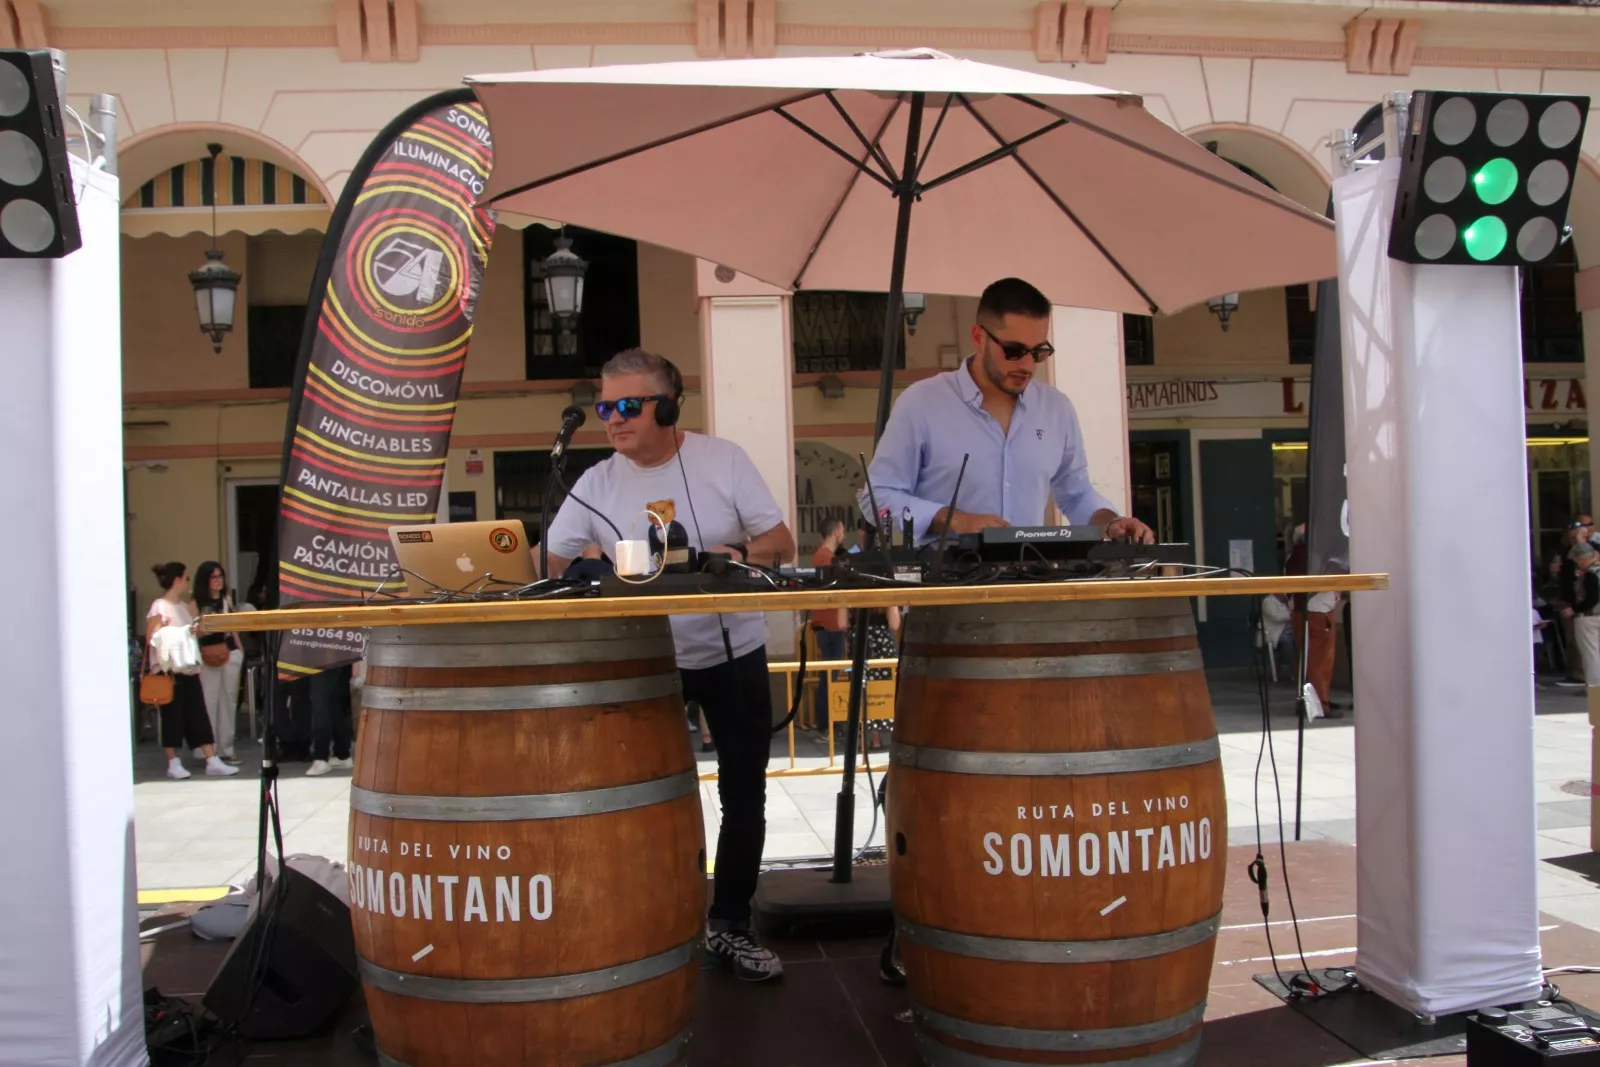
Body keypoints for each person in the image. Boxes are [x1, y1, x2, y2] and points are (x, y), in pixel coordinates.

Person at [540, 347, 797, 983]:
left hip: (732, 651)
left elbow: (781, 543)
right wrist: (597, 562)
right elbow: (549, 561)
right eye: (605, 408)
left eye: (629, 406)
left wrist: (734, 554)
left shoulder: (722, 459)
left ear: (670, 407)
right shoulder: (595, 481)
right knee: (625, 795)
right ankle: (635, 922)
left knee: (744, 795)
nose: (613, 420)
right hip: (643, 659)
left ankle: (730, 924)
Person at [863, 277, 1152, 544]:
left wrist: (1111, 523)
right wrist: (953, 520)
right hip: (945, 578)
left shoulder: (1056, 408)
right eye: (1013, 351)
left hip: (1031, 577)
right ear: (979, 338)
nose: (1027, 365)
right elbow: (876, 498)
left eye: (1038, 352)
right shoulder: (921, 403)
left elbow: (1077, 495)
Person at [146, 563, 239, 780]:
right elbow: (152, 636)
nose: (187, 582)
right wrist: (179, 632)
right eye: (185, 578)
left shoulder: (181, 607)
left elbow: (190, 634)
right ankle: (173, 762)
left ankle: (211, 759)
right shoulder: (160, 606)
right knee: (172, 717)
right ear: (177, 580)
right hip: (169, 671)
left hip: (189, 668)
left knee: (198, 715)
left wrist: (197, 630)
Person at [192, 561, 243, 764]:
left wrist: (240, 650)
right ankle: (208, 750)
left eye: (220, 576)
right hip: (207, 655)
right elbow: (193, 632)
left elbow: (234, 627)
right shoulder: (196, 603)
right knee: (209, 701)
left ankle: (226, 748)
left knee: (228, 700)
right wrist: (207, 625)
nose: (218, 581)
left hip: (229, 651)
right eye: (213, 577)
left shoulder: (226, 599)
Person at [809, 517, 850, 730]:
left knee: (830, 676)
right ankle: (826, 725)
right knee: (829, 677)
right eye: (842, 530)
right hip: (830, 624)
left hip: (830, 623)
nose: (844, 534)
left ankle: (828, 724)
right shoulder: (825, 558)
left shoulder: (825, 556)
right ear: (835, 532)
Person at [1570, 540, 1600, 688]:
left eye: (1577, 561)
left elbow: (1592, 598)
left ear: (1583, 558)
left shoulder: (1590, 574)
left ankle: (1595, 688)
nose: (1577, 564)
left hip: (1590, 617)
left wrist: (1575, 609)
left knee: (1591, 653)